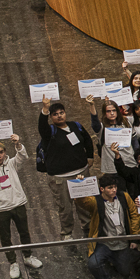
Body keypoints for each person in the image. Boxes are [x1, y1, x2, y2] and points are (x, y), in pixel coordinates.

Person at [0, 134, 42, 279]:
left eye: (1, 152)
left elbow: (23, 157)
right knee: (5, 237)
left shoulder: (11, 163)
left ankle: (28, 257)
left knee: (24, 232)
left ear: (5, 152)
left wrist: (17, 144)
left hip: (18, 204)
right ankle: (13, 263)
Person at [75, 174, 140, 279]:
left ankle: (120, 259)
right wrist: (80, 185)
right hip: (104, 243)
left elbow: (134, 214)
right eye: (110, 188)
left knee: (125, 271)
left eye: (115, 187)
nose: (114, 190)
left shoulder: (123, 197)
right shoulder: (95, 201)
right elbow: (82, 202)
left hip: (122, 242)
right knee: (93, 264)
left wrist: (134, 237)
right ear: (102, 189)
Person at [38, 96, 95, 239]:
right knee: (65, 208)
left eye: (61, 112)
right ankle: (67, 233)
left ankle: (88, 228)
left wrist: (90, 156)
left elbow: (87, 140)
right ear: (51, 117)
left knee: (85, 203)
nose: (59, 116)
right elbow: (41, 127)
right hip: (60, 178)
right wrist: (45, 108)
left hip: (81, 172)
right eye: (55, 114)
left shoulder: (76, 126)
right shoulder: (49, 131)